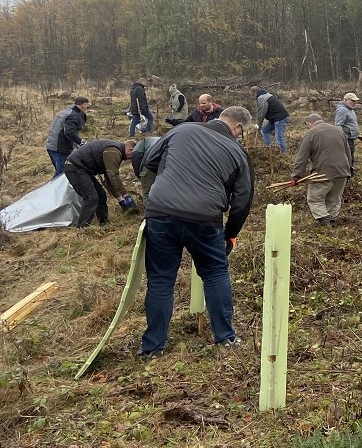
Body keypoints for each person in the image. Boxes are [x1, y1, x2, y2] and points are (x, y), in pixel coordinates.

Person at [138, 107, 255, 359]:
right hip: (204, 220)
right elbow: (243, 200)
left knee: (160, 279)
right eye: (241, 133)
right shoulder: (237, 152)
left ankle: (152, 347)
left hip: (160, 213)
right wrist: (230, 234)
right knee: (215, 273)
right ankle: (226, 337)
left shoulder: (180, 130)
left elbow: (148, 161)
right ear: (238, 128)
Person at [291, 113, 352, 226]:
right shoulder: (339, 131)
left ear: (310, 123)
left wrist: (296, 176)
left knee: (315, 198)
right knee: (334, 199)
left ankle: (325, 222)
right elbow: (348, 153)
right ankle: (331, 223)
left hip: (322, 173)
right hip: (343, 171)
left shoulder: (310, 133)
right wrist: (350, 170)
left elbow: (301, 157)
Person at [63, 138, 137, 227]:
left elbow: (109, 180)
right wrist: (126, 195)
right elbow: (113, 176)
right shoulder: (113, 152)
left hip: (83, 170)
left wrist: (120, 199)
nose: (130, 159)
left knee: (101, 195)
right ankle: (82, 228)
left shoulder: (115, 152)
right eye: (133, 156)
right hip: (74, 167)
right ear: (130, 149)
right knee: (91, 198)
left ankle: (104, 223)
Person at [45, 96, 89, 177]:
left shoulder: (66, 112)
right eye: (87, 105)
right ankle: (52, 189)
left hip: (51, 145)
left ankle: (54, 188)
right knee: (62, 175)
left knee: (60, 173)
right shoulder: (73, 116)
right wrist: (81, 142)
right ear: (83, 105)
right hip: (60, 148)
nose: (87, 107)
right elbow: (69, 132)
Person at [334, 92, 362, 175]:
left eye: (355, 101)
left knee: (351, 156)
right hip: (346, 139)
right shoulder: (342, 110)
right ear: (345, 100)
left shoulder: (350, 109)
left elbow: (350, 124)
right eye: (352, 100)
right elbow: (338, 125)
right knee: (347, 157)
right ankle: (347, 175)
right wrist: (341, 139)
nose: (354, 102)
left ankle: (350, 173)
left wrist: (358, 136)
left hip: (350, 138)